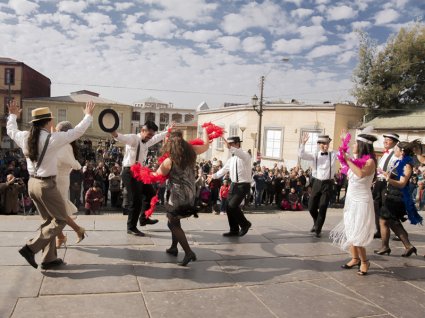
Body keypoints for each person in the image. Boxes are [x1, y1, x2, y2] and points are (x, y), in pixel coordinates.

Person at [7, 100, 95, 270]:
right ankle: (30, 248)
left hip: (31, 184)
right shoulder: (52, 139)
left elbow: (11, 130)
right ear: (49, 122)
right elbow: (76, 132)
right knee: (61, 219)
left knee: (48, 221)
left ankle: (49, 259)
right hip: (46, 185)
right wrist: (88, 115)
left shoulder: (25, 136)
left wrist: (12, 115)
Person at [155, 128, 209, 266]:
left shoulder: (169, 160)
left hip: (177, 195)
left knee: (172, 222)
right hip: (190, 192)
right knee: (175, 221)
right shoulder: (192, 151)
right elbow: (206, 146)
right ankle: (174, 248)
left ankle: (189, 252)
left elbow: (157, 175)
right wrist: (205, 131)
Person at [112, 121, 175, 236]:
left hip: (139, 172)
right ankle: (131, 227)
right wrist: (113, 132)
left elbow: (157, 137)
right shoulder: (134, 139)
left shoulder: (147, 141)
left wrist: (168, 130)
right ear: (142, 130)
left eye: (151, 135)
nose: (150, 137)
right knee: (135, 200)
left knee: (151, 194)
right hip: (129, 172)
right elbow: (121, 137)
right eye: (148, 134)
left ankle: (143, 218)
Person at [330, 133, 377, 276]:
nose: (353, 146)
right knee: (350, 230)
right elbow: (346, 169)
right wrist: (344, 148)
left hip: (362, 201)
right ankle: (355, 258)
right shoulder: (355, 160)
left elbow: (361, 174)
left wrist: (348, 160)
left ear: (362, 146)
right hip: (351, 199)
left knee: (358, 234)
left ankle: (364, 262)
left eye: (355, 144)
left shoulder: (370, 162)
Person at [374, 141, 421, 257]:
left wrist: (388, 179)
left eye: (396, 148)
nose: (394, 150)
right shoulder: (399, 162)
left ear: (402, 151)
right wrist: (384, 174)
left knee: (387, 221)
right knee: (389, 221)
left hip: (397, 196)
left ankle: (389, 246)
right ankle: (405, 246)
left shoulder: (407, 165)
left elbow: (402, 183)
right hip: (391, 194)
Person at [208, 136, 252, 237]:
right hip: (233, 184)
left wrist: (230, 148)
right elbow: (224, 170)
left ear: (237, 144)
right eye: (229, 144)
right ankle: (234, 230)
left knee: (233, 206)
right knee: (228, 207)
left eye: (231, 144)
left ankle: (245, 224)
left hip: (243, 185)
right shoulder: (232, 158)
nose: (230, 146)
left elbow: (239, 153)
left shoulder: (246, 155)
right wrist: (213, 176)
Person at [55, 121, 87, 248]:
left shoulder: (64, 145)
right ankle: (63, 235)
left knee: (57, 211)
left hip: (59, 179)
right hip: (57, 178)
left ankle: (71, 233)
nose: (55, 133)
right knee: (56, 211)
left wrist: (77, 165)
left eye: (57, 131)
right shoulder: (62, 144)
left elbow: (74, 163)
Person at [298, 134, 337, 238]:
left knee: (323, 206)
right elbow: (301, 155)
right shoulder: (315, 154)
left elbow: (345, 154)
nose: (325, 146)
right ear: (319, 144)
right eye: (323, 144)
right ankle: (316, 221)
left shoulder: (333, 154)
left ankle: (318, 229)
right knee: (311, 207)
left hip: (328, 183)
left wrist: (344, 141)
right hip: (316, 182)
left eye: (327, 143)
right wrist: (303, 143)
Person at [372, 133, 399, 239]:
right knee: (376, 206)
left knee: (388, 207)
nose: (385, 142)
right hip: (379, 182)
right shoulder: (385, 153)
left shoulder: (396, 155)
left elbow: (395, 171)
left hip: (387, 182)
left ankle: (398, 232)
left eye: (388, 140)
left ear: (395, 142)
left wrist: (384, 173)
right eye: (385, 140)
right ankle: (379, 230)